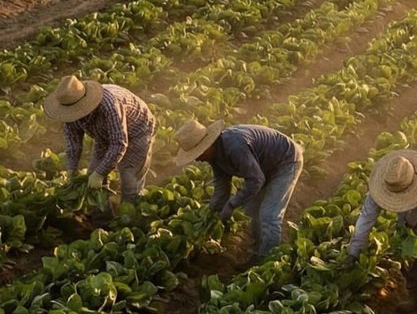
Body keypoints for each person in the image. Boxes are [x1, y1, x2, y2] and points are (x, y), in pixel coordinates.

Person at [173, 119, 303, 263]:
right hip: (263, 166)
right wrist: (213, 211)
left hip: (286, 161)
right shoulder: (214, 156)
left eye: (197, 154)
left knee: (268, 215)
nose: (197, 159)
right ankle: (256, 254)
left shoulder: (234, 146)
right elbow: (222, 186)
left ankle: (268, 261)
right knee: (251, 212)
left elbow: (255, 180)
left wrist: (231, 204)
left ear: (206, 147)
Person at [348, 150, 417, 300]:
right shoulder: (384, 183)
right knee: (407, 248)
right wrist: (354, 251)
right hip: (412, 209)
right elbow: (366, 217)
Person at [44, 75, 155, 213]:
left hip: (138, 130)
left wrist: (100, 173)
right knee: (92, 176)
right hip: (104, 136)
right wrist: (72, 170)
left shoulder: (109, 105)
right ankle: (103, 220)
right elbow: (73, 144)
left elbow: (119, 143)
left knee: (129, 178)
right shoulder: (69, 112)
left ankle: (130, 217)